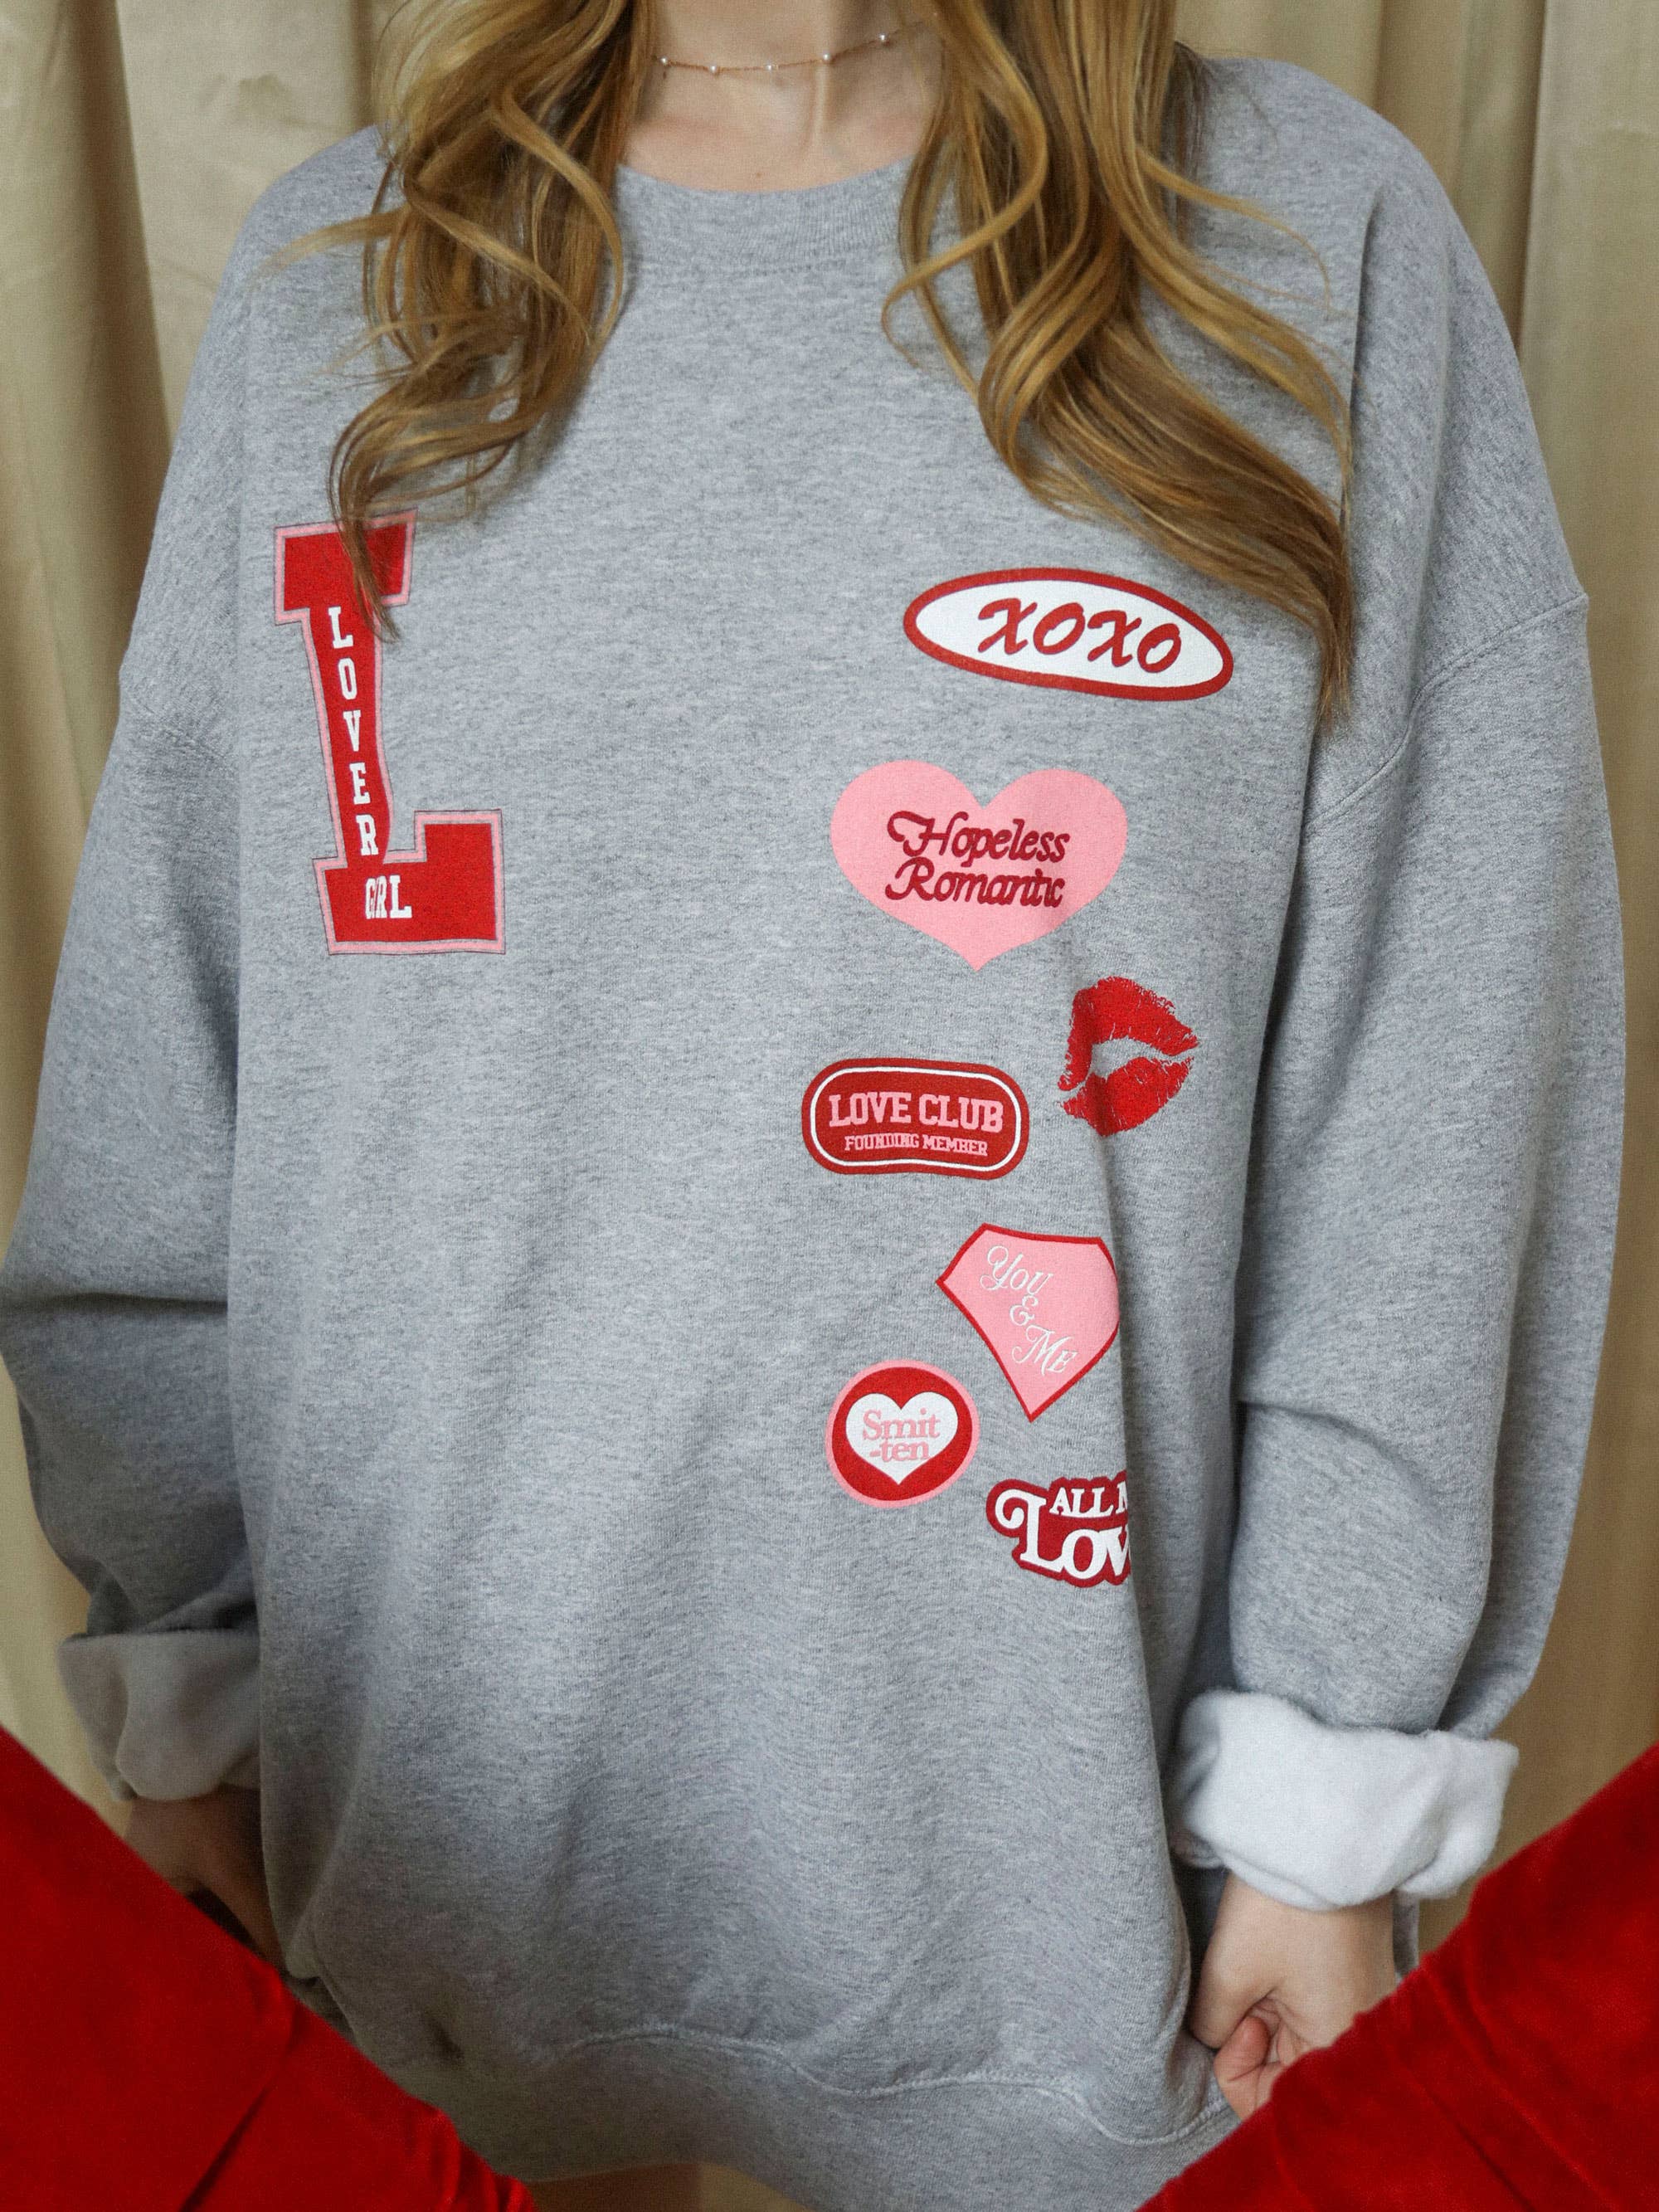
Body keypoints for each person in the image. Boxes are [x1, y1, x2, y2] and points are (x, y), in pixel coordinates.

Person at [0, 4, 1624, 2209]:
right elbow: (173, 1051)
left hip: (1084, 1938)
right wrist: (182, 1688)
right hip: (408, 1899)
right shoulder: (346, 287)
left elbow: (1429, 1081)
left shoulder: (1304, 241)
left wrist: (1324, 1800)